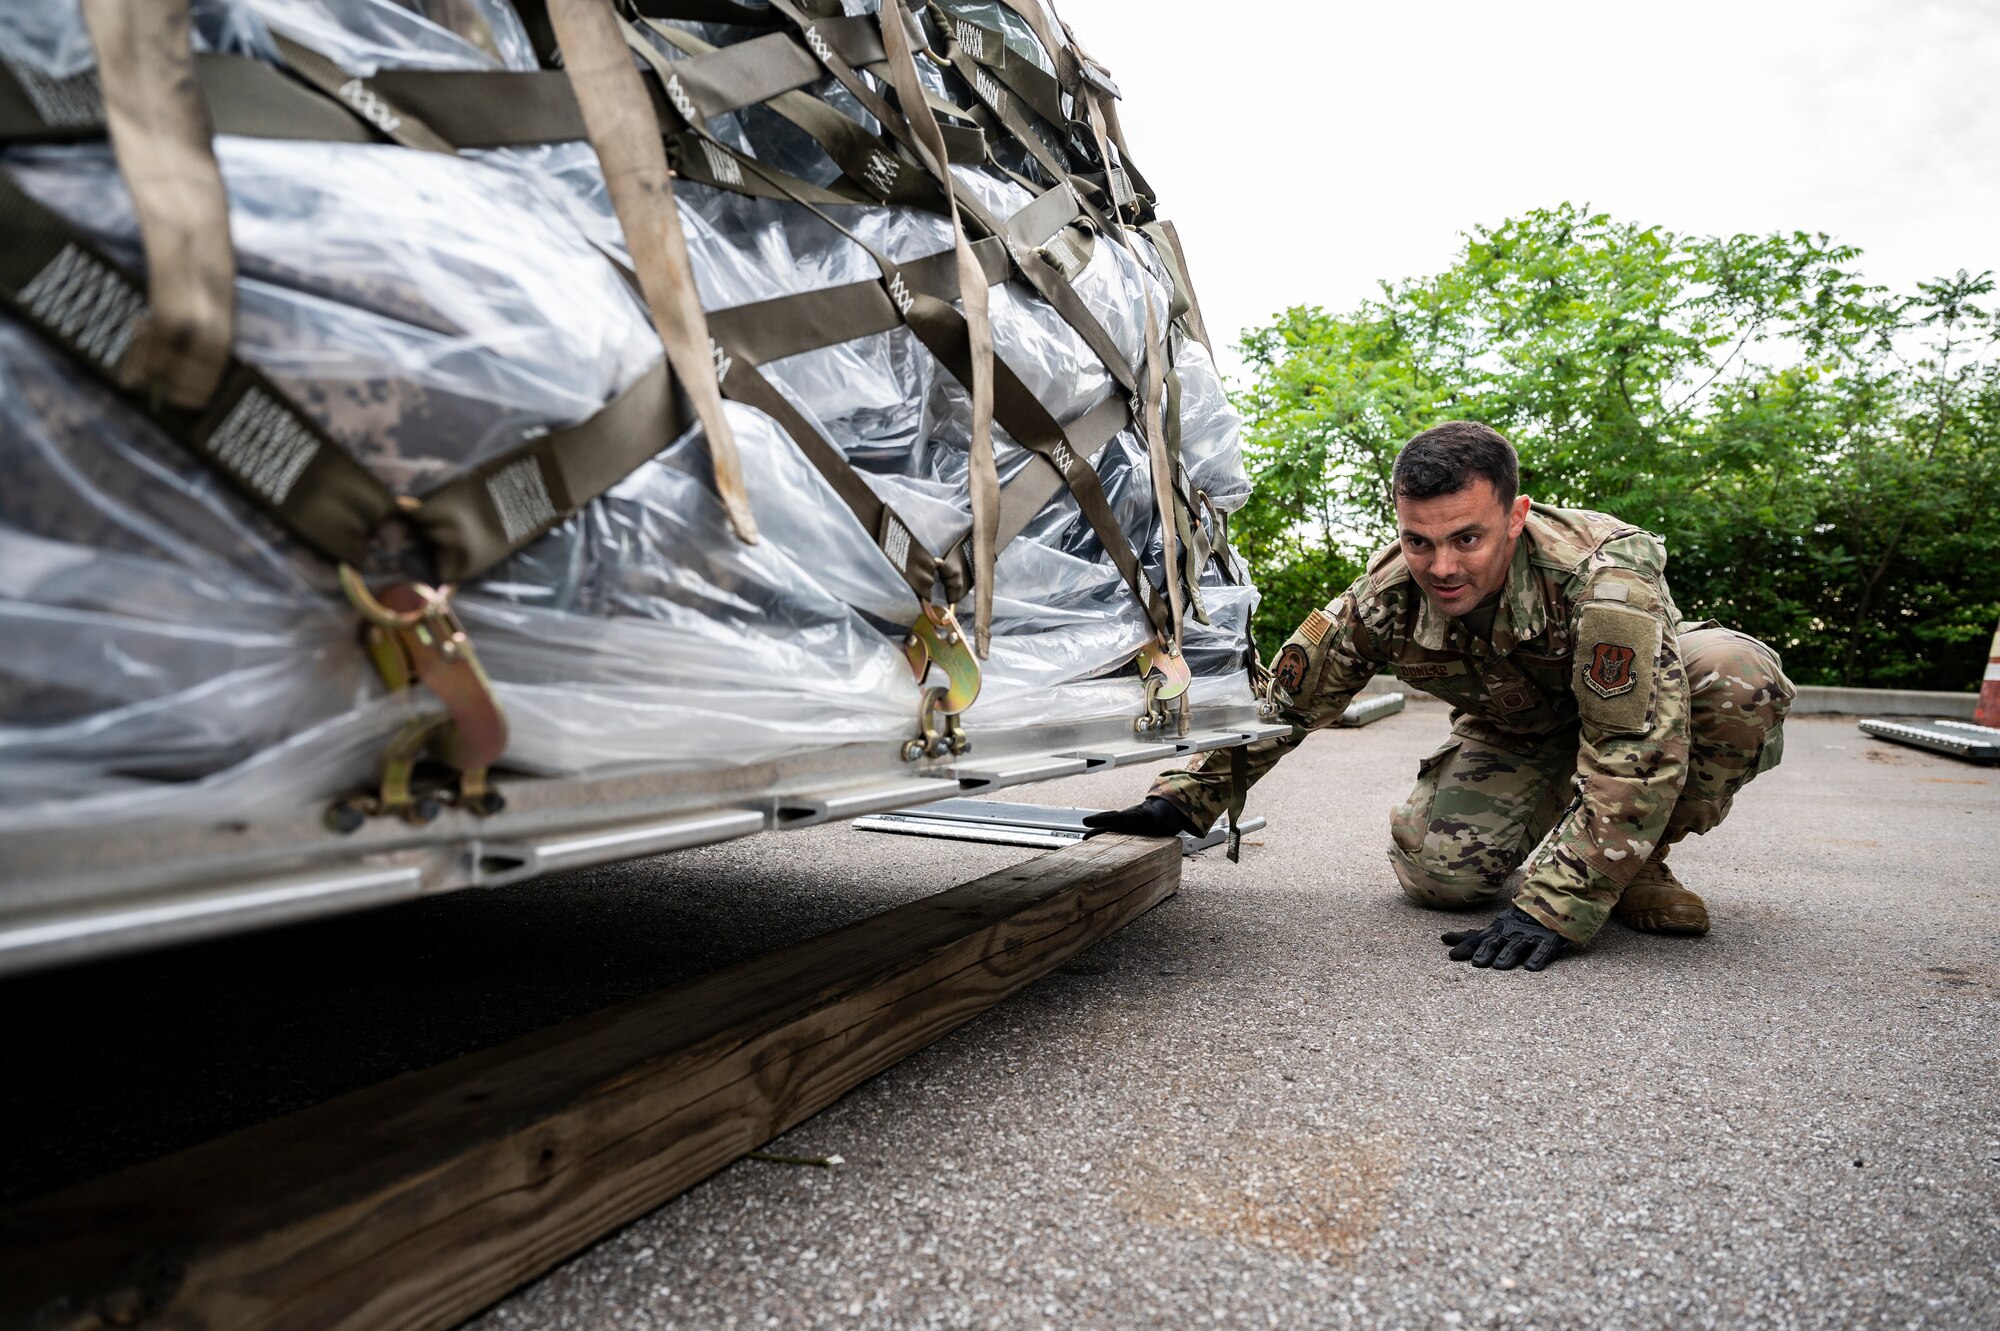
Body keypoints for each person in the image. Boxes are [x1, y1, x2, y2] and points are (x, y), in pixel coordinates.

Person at [1086, 422, 1794, 973]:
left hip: (1644, 714)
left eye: (1467, 537)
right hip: (1520, 733)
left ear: (1515, 517)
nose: (1442, 567)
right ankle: (1593, 852)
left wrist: (1553, 908)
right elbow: (1286, 703)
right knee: (1440, 874)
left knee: (1739, 679)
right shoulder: (1389, 594)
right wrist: (1180, 801)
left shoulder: (1602, 580)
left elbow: (1637, 747)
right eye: (1418, 540)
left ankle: (1632, 865)